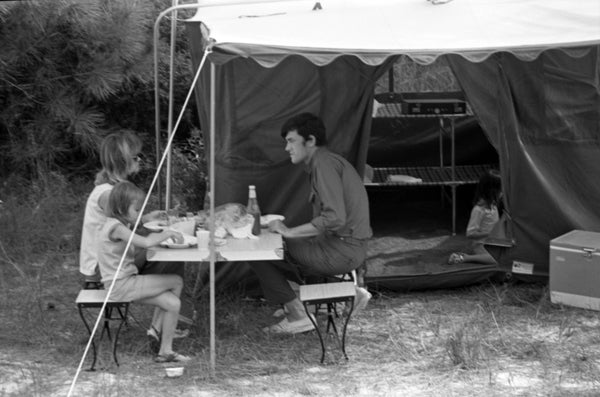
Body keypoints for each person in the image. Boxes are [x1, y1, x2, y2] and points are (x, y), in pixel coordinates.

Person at [253, 112, 373, 334]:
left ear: (310, 141)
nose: (287, 148)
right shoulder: (326, 162)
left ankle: (298, 314)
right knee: (280, 242)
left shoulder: (323, 165)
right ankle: (344, 292)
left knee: (258, 251)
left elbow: (335, 218)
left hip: (342, 251)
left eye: (291, 141)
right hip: (347, 247)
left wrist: (288, 232)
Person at [78, 131, 188, 342]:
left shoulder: (112, 189)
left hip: (110, 259)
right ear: (123, 161)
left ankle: (162, 324)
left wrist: (147, 217)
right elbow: (121, 226)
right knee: (169, 259)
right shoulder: (108, 194)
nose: (140, 160)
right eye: (136, 157)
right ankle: (160, 327)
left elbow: (122, 221)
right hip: (103, 268)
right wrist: (158, 231)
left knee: (168, 257)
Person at [97, 181, 190, 363]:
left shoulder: (116, 223)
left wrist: (147, 223)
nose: (139, 214)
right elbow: (146, 243)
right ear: (122, 207)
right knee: (176, 281)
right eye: (137, 210)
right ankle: (155, 331)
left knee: (172, 304)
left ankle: (165, 350)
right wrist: (168, 232)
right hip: (120, 285)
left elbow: (140, 235)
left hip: (122, 282)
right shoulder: (116, 228)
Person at [447, 169, 502, 265]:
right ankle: (465, 258)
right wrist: (489, 233)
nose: (502, 193)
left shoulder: (493, 206)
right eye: (500, 190)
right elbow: (470, 233)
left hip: (493, 243)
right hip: (480, 245)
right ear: (492, 191)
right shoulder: (479, 210)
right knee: (495, 260)